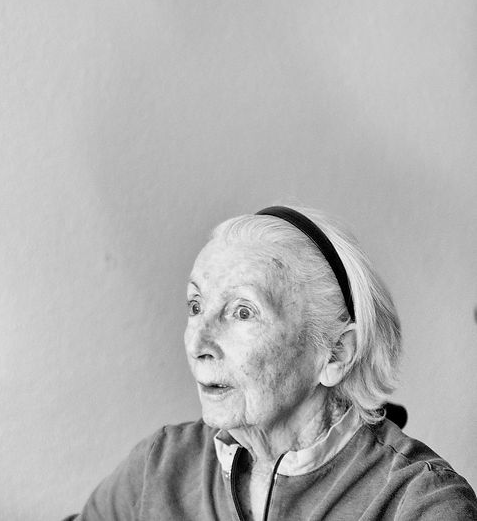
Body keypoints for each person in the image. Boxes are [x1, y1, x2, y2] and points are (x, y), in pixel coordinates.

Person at [72, 206, 477, 520]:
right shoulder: (160, 467)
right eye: (196, 306)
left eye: (242, 312)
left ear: (335, 353)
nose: (197, 342)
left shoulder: (418, 504)